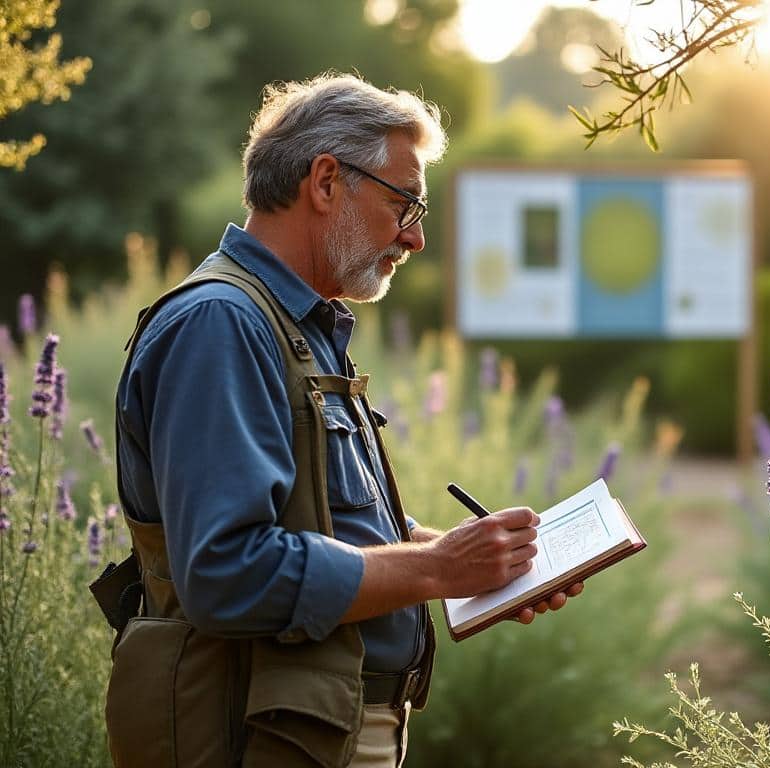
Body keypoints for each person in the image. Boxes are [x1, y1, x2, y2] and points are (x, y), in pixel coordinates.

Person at [102, 72, 580, 768]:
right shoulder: (222, 324)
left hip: (315, 731)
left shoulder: (292, 323)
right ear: (326, 182)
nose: (414, 239)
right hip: (261, 738)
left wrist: (474, 561)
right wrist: (433, 569)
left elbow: (320, 526)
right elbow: (227, 573)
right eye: (405, 204)